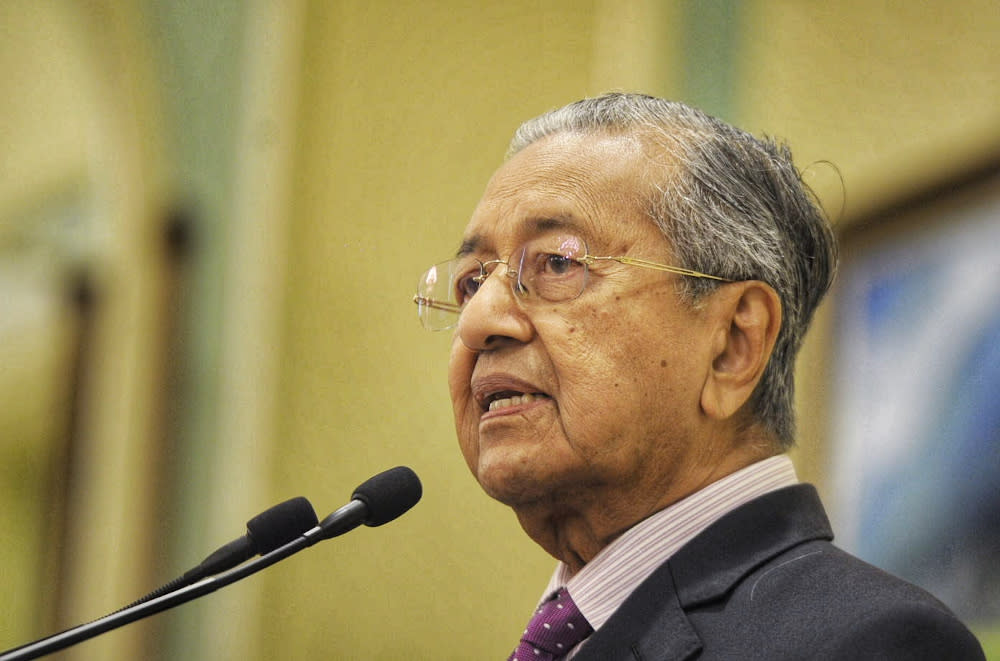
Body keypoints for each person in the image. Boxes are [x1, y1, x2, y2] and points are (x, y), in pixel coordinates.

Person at [414, 93, 985, 660]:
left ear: (733, 345)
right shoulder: (574, 633)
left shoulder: (873, 643)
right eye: (470, 282)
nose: (478, 321)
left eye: (558, 263)